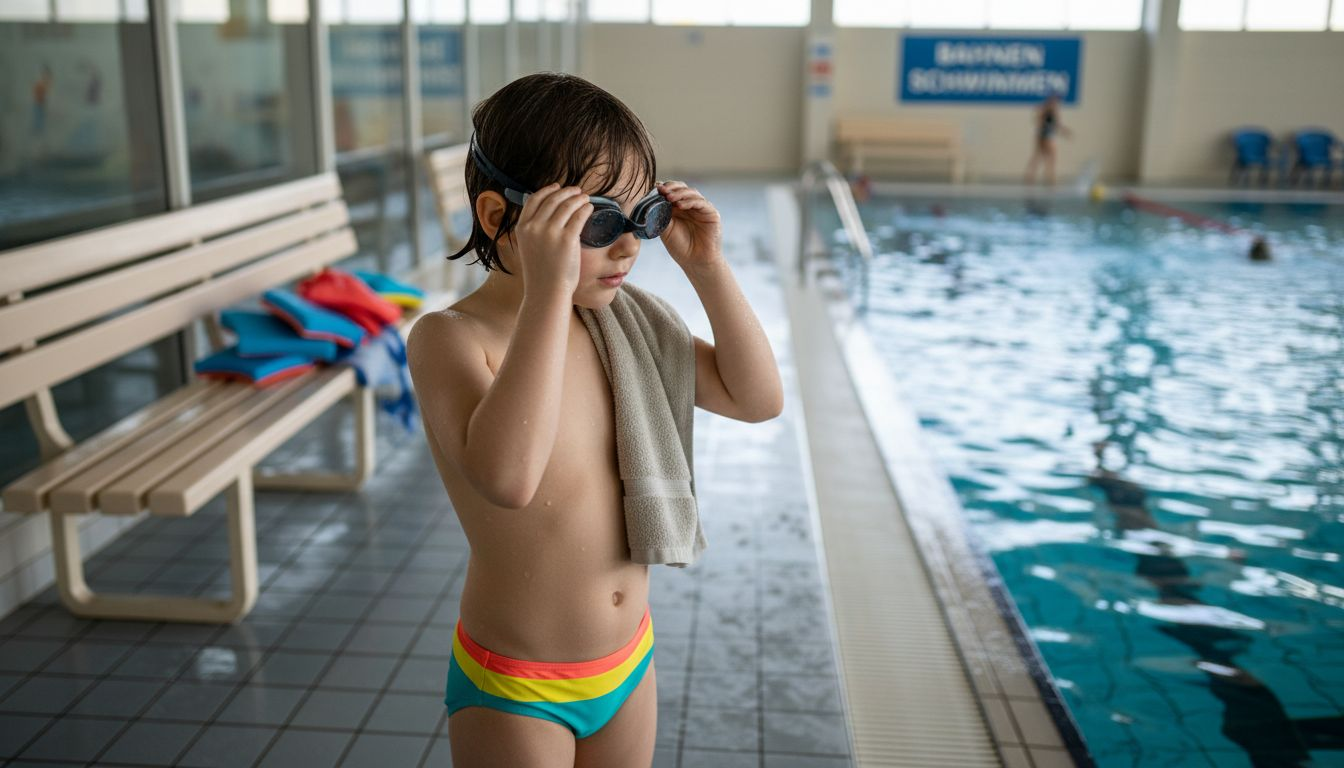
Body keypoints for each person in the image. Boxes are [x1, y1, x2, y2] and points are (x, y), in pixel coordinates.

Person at [405, 73, 784, 768]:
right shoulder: (450, 340)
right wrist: (548, 294)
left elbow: (756, 399)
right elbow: (508, 479)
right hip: (517, 686)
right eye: (597, 223)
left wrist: (709, 269)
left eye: (643, 218)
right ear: (498, 216)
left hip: (628, 659)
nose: (628, 246)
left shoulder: (620, 328)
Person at [1024, 92, 1071, 188]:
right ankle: (1050, 179)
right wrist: (1063, 131)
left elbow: (1043, 120)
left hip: (1041, 135)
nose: (1057, 103)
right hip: (1046, 135)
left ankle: (1030, 178)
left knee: (1037, 157)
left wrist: (1064, 131)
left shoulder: (1045, 107)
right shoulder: (1050, 108)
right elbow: (1052, 123)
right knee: (1051, 157)